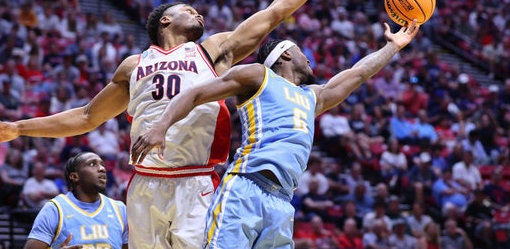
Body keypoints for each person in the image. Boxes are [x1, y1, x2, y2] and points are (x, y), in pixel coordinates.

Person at [0, 0, 364, 248]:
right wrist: (19, 127)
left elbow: (274, 13)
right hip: (145, 183)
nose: (200, 14)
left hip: (196, 179)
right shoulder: (133, 65)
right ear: (166, 19)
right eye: (189, 9)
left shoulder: (213, 50)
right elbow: (85, 117)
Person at [131, 19, 419, 248]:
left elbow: (356, 75)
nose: (310, 60)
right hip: (246, 188)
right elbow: (195, 94)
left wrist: (391, 47)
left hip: (282, 202)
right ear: (286, 53)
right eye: (304, 54)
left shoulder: (312, 96)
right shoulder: (258, 75)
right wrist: (161, 126)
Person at [24, 152, 128, 249]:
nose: (102, 169)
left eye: (102, 164)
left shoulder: (120, 209)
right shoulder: (55, 209)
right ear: (74, 176)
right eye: (92, 164)